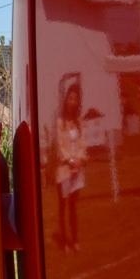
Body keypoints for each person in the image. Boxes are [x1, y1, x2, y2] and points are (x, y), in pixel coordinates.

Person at [56, 82, 86, 253]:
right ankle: (65, 242)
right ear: (66, 99)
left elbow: (83, 143)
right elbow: (60, 145)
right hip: (64, 170)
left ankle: (75, 240)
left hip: (77, 170)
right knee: (63, 206)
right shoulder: (60, 122)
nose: (72, 101)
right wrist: (70, 160)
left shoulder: (79, 121)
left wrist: (80, 159)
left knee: (74, 206)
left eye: (75, 99)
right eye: (70, 98)